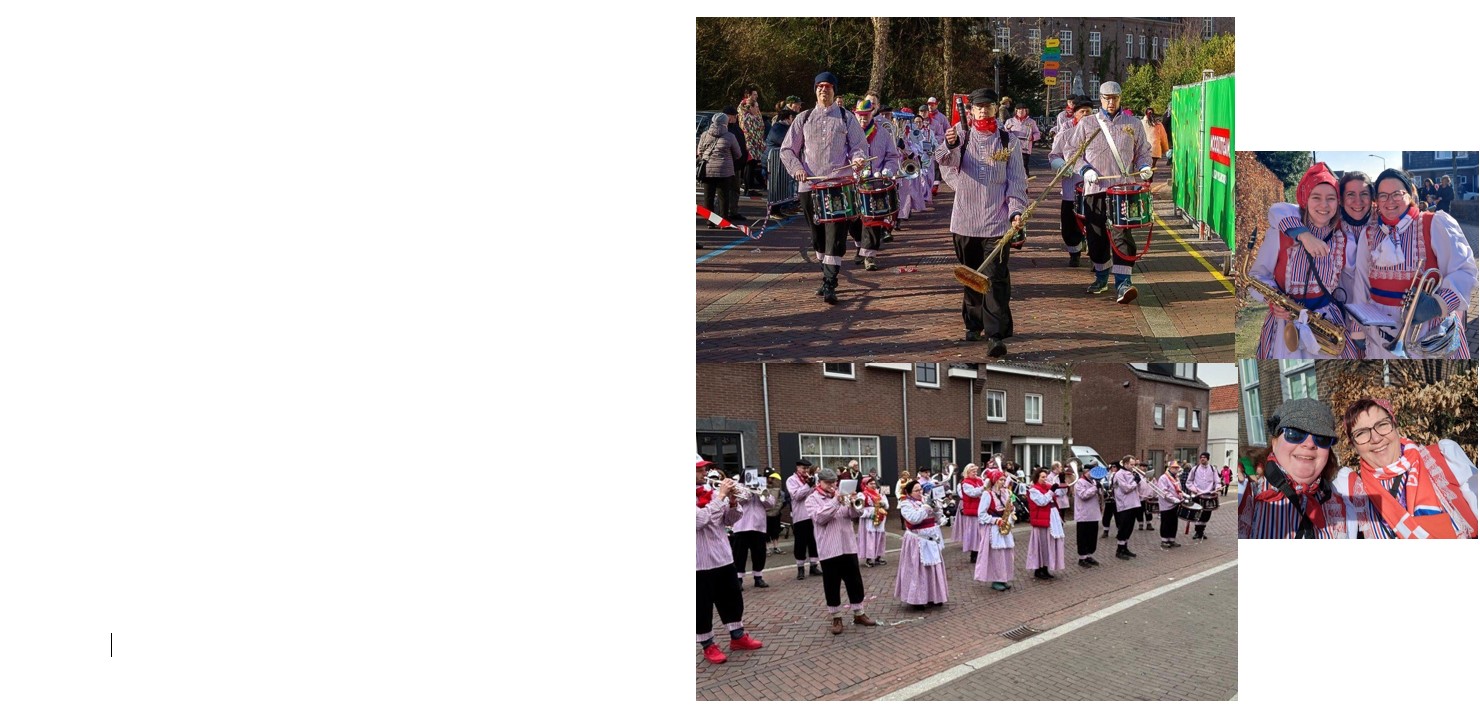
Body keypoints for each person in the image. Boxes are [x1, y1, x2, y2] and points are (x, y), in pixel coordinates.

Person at [935, 87, 1028, 353]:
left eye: (988, 106)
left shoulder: (1008, 140)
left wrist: (1016, 211)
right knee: (971, 277)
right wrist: (950, 148)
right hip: (964, 221)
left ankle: (996, 335)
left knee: (995, 279)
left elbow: (1017, 182)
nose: (983, 110)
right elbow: (942, 162)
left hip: (997, 222)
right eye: (978, 106)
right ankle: (973, 324)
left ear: (995, 107)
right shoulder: (961, 136)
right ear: (972, 110)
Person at [1347, 168, 1476, 358]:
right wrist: (1358, 329)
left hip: (1426, 329)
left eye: (1397, 194)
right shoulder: (1369, 234)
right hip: (1379, 328)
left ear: (1410, 194)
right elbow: (1361, 283)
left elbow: (1465, 271)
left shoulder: (1434, 223)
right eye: (1383, 195)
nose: (1389, 201)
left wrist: (1436, 305)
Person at [1249, 162, 1361, 358]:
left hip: (1327, 324)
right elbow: (1258, 276)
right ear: (1304, 199)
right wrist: (1273, 301)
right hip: (1286, 322)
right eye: (1315, 197)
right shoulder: (1282, 233)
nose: (1324, 205)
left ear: (1338, 202)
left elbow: (1352, 286)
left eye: (1331, 198)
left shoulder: (1344, 238)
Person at [780, 72, 869, 305]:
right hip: (809, 185)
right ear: (815, 90)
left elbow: (859, 146)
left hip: (838, 186)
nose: (823, 90)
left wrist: (858, 159)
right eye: (819, 86)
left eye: (828, 86)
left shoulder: (846, 117)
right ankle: (826, 273)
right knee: (817, 237)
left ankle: (831, 281)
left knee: (836, 235)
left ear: (834, 91)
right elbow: (787, 149)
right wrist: (797, 169)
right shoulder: (804, 118)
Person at [1332, 398, 1478, 539]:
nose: (1376, 439)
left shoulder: (1441, 458)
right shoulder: (1350, 489)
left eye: (1382, 424)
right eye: (1361, 433)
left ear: (1395, 425)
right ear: (1353, 444)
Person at [1068, 81, 1153, 304]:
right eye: (1106, 98)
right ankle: (1101, 276)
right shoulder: (1087, 124)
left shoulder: (1133, 123)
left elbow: (1143, 151)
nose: (1111, 102)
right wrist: (1084, 169)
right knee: (1095, 235)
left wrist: (1144, 167)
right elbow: (1072, 152)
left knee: (1122, 234)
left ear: (1120, 98)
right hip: (1095, 189)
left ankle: (1124, 282)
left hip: (1123, 190)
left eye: (1115, 97)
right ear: (1100, 98)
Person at [1237, 399, 1348, 539]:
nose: (1309, 444)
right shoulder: (1249, 496)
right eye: (1295, 434)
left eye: (1322, 438)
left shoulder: (1342, 498)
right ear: (1275, 443)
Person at [695, 457, 763, 664]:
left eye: (705, 469)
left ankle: (737, 636)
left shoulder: (713, 493)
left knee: (732, 598)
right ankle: (708, 644)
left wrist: (732, 502)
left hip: (722, 556)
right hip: (698, 562)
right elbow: (699, 520)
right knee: (701, 605)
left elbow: (731, 521)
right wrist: (722, 496)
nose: (704, 473)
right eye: (699, 470)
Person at [805, 468, 879, 634]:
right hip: (829, 548)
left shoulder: (841, 494)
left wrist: (854, 502)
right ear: (820, 483)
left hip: (848, 545)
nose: (832, 486)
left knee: (854, 582)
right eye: (828, 483)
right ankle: (836, 617)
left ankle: (859, 613)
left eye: (834, 483)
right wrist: (836, 501)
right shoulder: (812, 499)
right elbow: (820, 518)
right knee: (832, 584)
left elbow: (855, 514)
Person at [848, 95, 902, 271]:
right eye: (860, 115)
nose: (863, 118)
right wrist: (853, 168)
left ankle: (869, 255)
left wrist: (888, 170)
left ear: (873, 113)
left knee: (874, 219)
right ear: (855, 115)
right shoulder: (848, 134)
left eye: (867, 115)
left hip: (876, 183)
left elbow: (892, 157)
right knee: (854, 220)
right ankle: (859, 246)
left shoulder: (884, 133)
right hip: (854, 183)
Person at [1050, 97, 1095, 267]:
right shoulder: (1066, 132)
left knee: (1094, 224)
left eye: (1088, 112)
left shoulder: (1099, 131)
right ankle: (1074, 252)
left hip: (1094, 186)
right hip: (1071, 187)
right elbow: (1054, 155)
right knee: (1069, 223)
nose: (1085, 114)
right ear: (1075, 113)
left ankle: (1096, 256)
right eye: (1082, 111)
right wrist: (1061, 165)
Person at [895, 480, 949, 609]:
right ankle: (917, 599)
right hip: (917, 540)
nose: (920, 493)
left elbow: (937, 517)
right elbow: (914, 519)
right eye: (916, 490)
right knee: (918, 570)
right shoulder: (905, 504)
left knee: (933, 569)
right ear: (908, 492)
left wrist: (936, 509)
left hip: (930, 538)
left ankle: (934, 596)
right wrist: (926, 507)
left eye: (921, 490)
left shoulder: (924, 500)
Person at [730, 470, 776, 589]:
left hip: (758, 526)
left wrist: (760, 492)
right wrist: (749, 492)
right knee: (740, 554)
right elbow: (738, 501)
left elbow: (771, 504)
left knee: (759, 553)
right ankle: (739, 579)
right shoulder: (737, 487)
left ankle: (758, 577)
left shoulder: (761, 486)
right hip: (742, 526)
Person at [697, 113, 745, 224]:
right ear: (725, 122)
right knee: (724, 197)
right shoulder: (730, 136)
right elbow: (738, 154)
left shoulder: (704, 134)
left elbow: (699, 151)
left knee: (708, 197)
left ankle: (710, 221)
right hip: (724, 170)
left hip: (707, 169)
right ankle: (723, 221)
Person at [973, 469, 1017, 591]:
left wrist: (1012, 509)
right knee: (997, 556)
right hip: (994, 528)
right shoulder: (987, 494)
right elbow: (981, 514)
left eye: (1004, 479)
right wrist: (995, 520)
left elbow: (1009, 508)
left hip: (1004, 526)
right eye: (1001, 480)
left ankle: (1003, 578)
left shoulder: (1006, 493)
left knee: (1006, 554)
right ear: (994, 480)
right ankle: (996, 580)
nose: (1003, 482)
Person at [1025, 469, 1066, 579]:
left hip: (1052, 517)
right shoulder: (1033, 490)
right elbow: (1042, 501)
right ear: (1037, 478)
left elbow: (1061, 494)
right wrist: (1051, 491)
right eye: (1042, 477)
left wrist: (1062, 481)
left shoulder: (1048, 486)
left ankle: (1046, 568)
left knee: (1049, 544)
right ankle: (1039, 569)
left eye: (1045, 476)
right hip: (1042, 519)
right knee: (1042, 544)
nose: (1045, 479)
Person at [786, 460, 823, 579]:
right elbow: (796, 496)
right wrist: (807, 486)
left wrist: (814, 486)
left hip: (813, 515)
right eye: (803, 468)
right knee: (800, 543)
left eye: (807, 469)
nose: (805, 471)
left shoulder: (812, 479)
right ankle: (800, 568)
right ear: (797, 468)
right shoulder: (791, 480)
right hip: (800, 516)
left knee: (813, 541)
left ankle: (813, 566)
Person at [764, 109, 799, 219]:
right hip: (772, 161)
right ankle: (773, 210)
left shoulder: (786, 128)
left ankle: (780, 208)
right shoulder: (777, 128)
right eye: (793, 118)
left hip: (780, 161)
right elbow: (785, 142)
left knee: (782, 186)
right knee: (775, 186)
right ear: (788, 118)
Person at [1111, 455, 1143, 558]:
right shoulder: (1119, 474)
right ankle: (1119, 550)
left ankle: (1125, 547)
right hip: (1125, 505)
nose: (1133, 466)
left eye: (1134, 464)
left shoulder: (1131, 473)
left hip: (1133, 504)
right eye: (1131, 464)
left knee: (1129, 528)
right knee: (1123, 528)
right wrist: (1135, 481)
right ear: (1125, 464)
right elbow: (1126, 488)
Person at [858, 472, 891, 566]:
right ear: (865, 484)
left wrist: (883, 504)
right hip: (869, 518)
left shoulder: (879, 493)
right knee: (870, 537)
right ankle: (869, 558)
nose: (873, 485)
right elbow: (859, 509)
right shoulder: (862, 494)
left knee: (879, 537)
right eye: (870, 483)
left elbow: (887, 505)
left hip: (880, 517)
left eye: (874, 483)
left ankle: (878, 556)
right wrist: (868, 515)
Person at [739, 91, 768, 196]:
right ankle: (748, 188)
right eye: (755, 107)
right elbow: (750, 132)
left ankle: (750, 188)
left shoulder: (755, 117)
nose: (757, 109)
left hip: (756, 145)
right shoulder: (748, 118)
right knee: (749, 166)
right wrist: (754, 143)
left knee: (752, 165)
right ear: (750, 108)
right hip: (751, 144)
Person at [1185, 452, 1220, 539]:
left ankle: (1201, 531)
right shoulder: (1195, 469)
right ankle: (1197, 532)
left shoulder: (1213, 469)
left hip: (1208, 495)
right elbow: (1189, 482)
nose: (1202, 459)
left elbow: (1217, 481)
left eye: (1204, 457)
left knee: (1206, 514)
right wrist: (1194, 490)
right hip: (1197, 494)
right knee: (1197, 513)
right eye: (1201, 457)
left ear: (1208, 459)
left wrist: (1218, 487)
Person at [955, 463, 986, 562]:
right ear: (967, 472)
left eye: (976, 471)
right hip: (972, 511)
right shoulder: (965, 483)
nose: (975, 473)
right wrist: (984, 487)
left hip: (980, 510)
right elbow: (973, 493)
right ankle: (974, 555)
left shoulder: (979, 480)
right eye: (973, 471)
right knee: (974, 534)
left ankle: (981, 553)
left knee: (981, 533)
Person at [1073, 465, 1102, 567]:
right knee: (1083, 537)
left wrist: (1100, 489)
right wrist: (1095, 488)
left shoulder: (1093, 482)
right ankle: (1082, 558)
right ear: (1087, 472)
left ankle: (1089, 555)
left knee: (1092, 537)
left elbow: (1098, 495)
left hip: (1093, 514)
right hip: (1084, 515)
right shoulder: (1079, 483)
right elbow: (1083, 495)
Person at [1155, 460, 1186, 548]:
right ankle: (1164, 540)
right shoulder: (1163, 478)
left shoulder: (1176, 477)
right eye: (1174, 468)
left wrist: (1182, 496)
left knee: (1173, 522)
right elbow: (1164, 492)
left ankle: (1172, 539)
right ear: (1169, 468)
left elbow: (1178, 489)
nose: (1177, 469)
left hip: (1175, 504)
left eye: (1177, 468)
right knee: (1166, 522)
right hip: (1166, 504)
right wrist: (1174, 499)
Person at [1004, 105, 1041, 169]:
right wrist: (1007, 129)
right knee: (1011, 166)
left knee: (1024, 166)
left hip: (1025, 148)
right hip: (1012, 148)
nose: (1021, 111)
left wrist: (1032, 137)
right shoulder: (1010, 121)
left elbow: (1038, 134)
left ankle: (1025, 178)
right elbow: (1004, 133)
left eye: (1023, 110)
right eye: (1019, 110)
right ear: (1016, 111)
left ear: (1026, 111)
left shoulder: (1031, 122)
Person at [764, 468, 785, 554]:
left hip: (775, 513)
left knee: (775, 531)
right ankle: (767, 548)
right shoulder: (762, 487)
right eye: (771, 478)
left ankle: (776, 546)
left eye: (773, 478)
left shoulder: (777, 487)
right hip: (765, 514)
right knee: (766, 531)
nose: (772, 480)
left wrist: (777, 509)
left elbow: (780, 499)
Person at [1137, 459, 1157, 531]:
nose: (1144, 468)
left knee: (1148, 511)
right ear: (1140, 467)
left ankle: (1149, 524)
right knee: (1139, 511)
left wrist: (1154, 495)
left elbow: (1155, 486)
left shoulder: (1150, 476)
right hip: (1140, 497)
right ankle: (1140, 524)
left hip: (1149, 497)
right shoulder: (1137, 476)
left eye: (1145, 466)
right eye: (1142, 466)